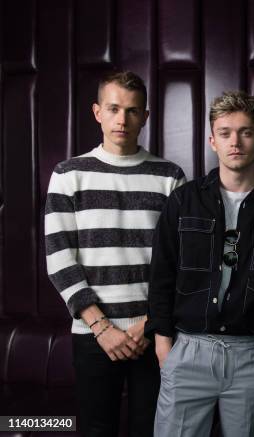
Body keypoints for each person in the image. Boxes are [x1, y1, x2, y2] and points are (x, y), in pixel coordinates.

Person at [45, 71, 185, 436]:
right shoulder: (68, 175)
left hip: (153, 335)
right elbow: (59, 257)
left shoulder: (169, 177)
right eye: (114, 109)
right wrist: (101, 327)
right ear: (97, 112)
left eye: (133, 110)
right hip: (93, 333)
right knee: (96, 429)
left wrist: (151, 323)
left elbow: (182, 262)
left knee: (151, 429)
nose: (123, 119)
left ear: (145, 117)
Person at [146, 90, 254, 437]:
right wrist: (164, 344)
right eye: (225, 132)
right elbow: (162, 272)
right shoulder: (184, 200)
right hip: (190, 348)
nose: (235, 141)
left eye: (246, 131)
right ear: (212, 140)